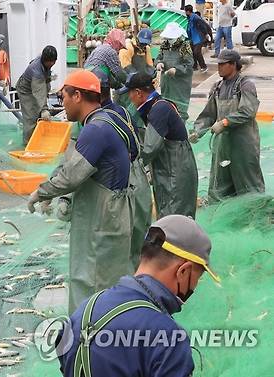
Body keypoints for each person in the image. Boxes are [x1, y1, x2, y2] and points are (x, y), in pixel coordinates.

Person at [59, 215, 220, 377]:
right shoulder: (168, 338)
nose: (194, 287)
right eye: (197, 278)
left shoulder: (82, 311)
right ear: (183, 271)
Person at [27, 70, 133, 313]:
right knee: (104, 279)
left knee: (92, 281)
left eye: (63, 96)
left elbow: (72, 176)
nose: (62, 103)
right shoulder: (108, 118)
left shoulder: (95, 129)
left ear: (77, 96)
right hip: (110, 212)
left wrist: (42, 193)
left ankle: (91, 340)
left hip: (103, 217)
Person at [93, 68, 152, 269]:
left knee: (119, 244)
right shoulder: (124, 111)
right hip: (139, 179)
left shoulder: (97, 121)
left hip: (122, 183)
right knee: (138, 237)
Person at [119, 72, 198, 218]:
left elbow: (150, 148)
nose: (129, 98)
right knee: (167, 212)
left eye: (129, 93)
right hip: (169, 168)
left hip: (175, 170)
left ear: (138, 93)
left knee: (174, 216)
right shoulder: (155, 106)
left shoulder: (158, 110)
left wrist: (130, 167)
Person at [190, 49, 265, 202]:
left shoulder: (245, 85)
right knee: (220, 188)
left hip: (243, 145)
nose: (218, 67)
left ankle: (255, 214)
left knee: (249, 185)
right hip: (223, 146)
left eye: (222, 64)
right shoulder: (217, 87)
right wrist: (197, 131)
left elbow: (247, 111)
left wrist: (225, 122)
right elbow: (208, 115)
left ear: (233, 65)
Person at [16, 45, 58, 144]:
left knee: (38, 114)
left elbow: (43, 87)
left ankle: (39, 140)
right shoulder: (36, 70)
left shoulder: (44, 61)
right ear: (44, 60)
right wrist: (44, 109)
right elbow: (38, 92)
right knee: (31, 118)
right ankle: (28, 145)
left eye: (54, 61)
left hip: (36, 86)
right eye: (50, 61)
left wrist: (49, 79)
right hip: (26, 90)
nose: (52, 63)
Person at [156, 22, 195, 122]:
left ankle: (181, 131)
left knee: (180, 108)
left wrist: (177, 70)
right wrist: (159, 63)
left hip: (180, 83)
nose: (169, 40)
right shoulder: (164, 45)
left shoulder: (184, 46)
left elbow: (189, 64)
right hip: (167, 82)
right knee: (167, 106)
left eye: (171, 38)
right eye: (168, 38)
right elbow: (159, 57)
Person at [185, 5, 209, 73]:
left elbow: (203, 26)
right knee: (192, 52)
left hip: (198, 38)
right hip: (193, 38)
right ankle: (194, 66)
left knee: (197, 52)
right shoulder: (190, 18)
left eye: (185, 11)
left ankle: (204, 66)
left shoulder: (196, 18)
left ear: (188, 11)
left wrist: (206, 34)